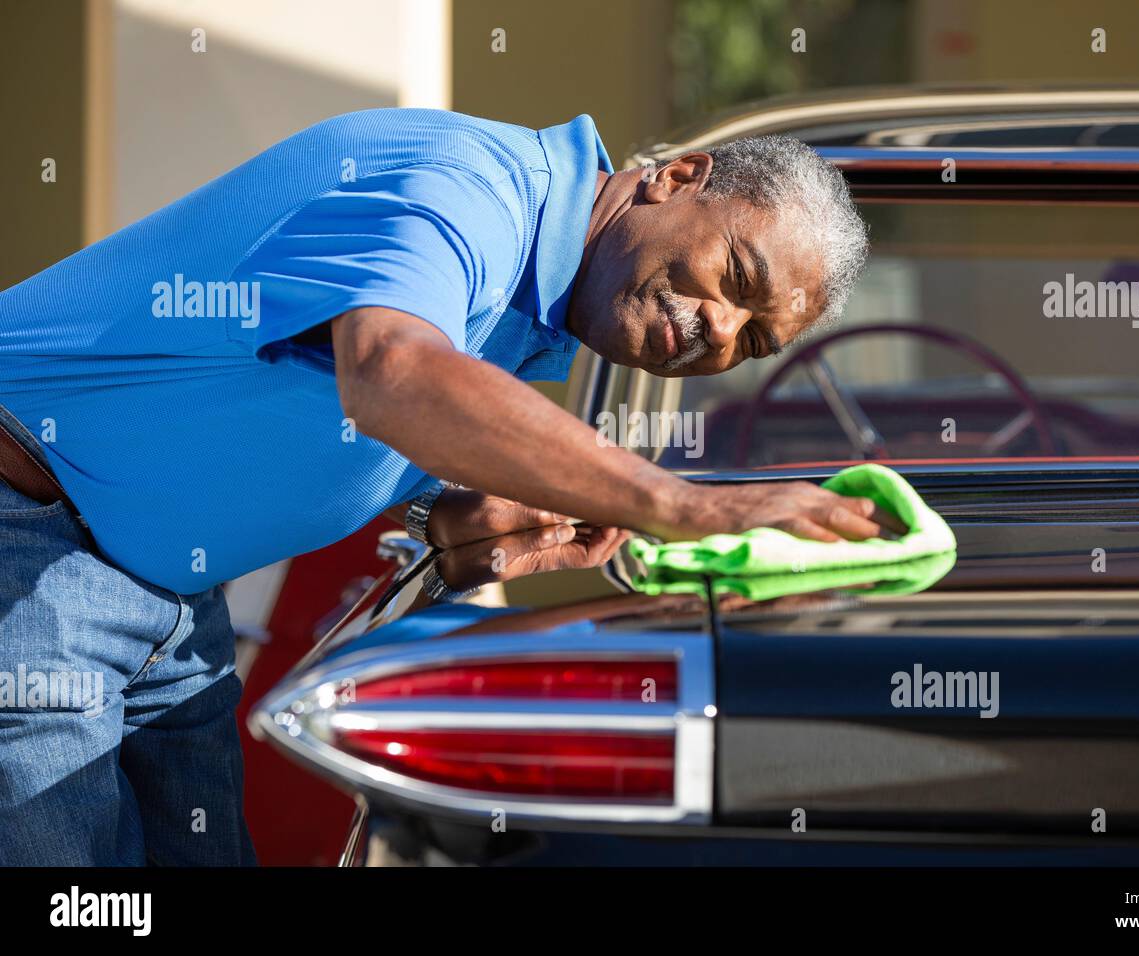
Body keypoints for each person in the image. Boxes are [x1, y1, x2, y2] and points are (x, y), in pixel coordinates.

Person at [0, 109, 894, 865]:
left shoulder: (541, 309)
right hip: (30, 538)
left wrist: (445, 519)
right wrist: (684, 505)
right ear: (678, 178)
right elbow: (389, 371)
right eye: (736, 279)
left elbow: (330, 412)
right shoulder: (467, 185)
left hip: (165, 601)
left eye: (753, 342)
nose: (718, 330)